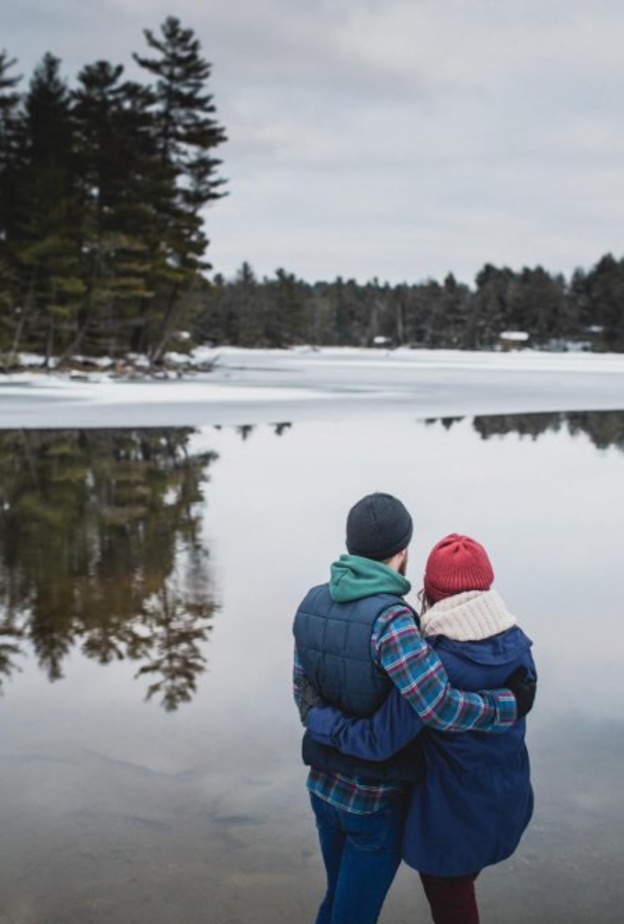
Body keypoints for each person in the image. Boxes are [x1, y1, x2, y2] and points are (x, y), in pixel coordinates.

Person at [293, 495, 535, 924]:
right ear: (403, 552)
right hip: (374, 798)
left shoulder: (310, 603)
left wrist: (317, 721)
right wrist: (508, 705)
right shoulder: (395, 621)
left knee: (336, 902)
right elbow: (435, 707)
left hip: (322, 787)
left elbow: (302, 689)